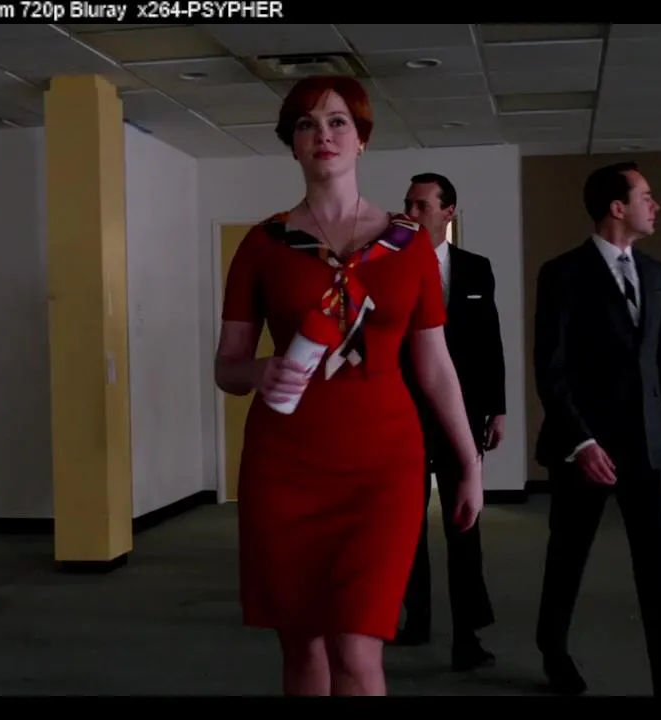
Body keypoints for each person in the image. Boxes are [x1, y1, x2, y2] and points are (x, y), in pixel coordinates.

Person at [214, 76, 485, 697]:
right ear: (292, 144)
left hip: (382, 467)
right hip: (286, 464)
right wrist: (258, 370)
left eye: (338, 121)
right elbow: (227, 367)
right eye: (306, 124)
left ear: (361, 139)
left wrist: (468, 463)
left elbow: (436, 365)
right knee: (302, 644)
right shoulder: (263, 245)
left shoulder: (408, 245)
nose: (324, 135)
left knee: (358, 651)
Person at [531, 161, 661, 696]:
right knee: (567, 560)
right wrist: (582, 441)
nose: (656, 206)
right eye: (646, 196)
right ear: (617, 207)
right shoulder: (562, 274)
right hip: (586, 449)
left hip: (651, 446)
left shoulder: (656, 273)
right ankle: (553, 651)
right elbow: (551, 369)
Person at [395, 173, 504, 671]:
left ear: (448, 212)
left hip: (464, 413)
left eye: (422, 205)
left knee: (464, 524)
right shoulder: (390, 264)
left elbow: (490, 342)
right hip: (405, 413)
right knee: (407, 523)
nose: (412, 213)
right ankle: (415, 618)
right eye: (408, 204)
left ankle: (468, 635)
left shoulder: (476, 269)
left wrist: (498, 408)